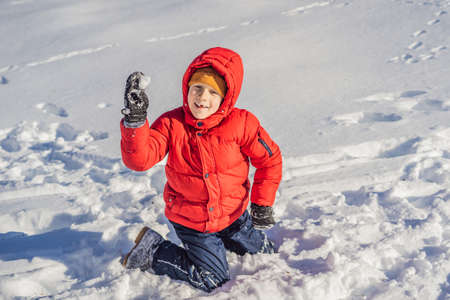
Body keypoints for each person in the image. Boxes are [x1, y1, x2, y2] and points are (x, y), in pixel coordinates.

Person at [120, 47, 282, 292]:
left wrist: (262, 203)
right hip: (194, 221)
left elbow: (270, 160)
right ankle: (153, 251)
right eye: (197, 87)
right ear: (187, 88)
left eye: (212, 91)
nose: (202, 97)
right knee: (213, 279)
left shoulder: (242, 124)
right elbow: (139, 160)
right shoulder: (172, 124)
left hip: (233, 216)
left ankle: (228, 239)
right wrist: (136, 121)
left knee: (267, 253)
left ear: (226, 97)